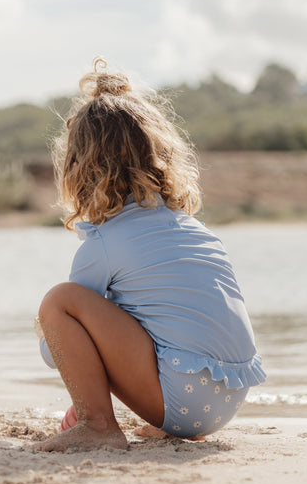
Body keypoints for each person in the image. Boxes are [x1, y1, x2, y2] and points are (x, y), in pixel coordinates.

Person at [36, 59, 266, 452]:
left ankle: (97, 424)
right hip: (230, 399)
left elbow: (55, 353)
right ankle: (162, 421)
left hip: (184, 398)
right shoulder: (194, 230)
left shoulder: (103, 243)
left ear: (80, 168)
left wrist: (47, 332)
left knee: (59, 303)